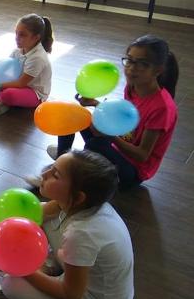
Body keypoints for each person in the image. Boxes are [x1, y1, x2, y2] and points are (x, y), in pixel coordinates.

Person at [0, 150, 134, 299]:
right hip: (91, 281)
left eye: (55, 175)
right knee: (42, 217)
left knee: (10, 285)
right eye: (51, 166)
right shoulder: (89, 204)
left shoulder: (82, 234)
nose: (44, 174)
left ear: (79, 197)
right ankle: (49, 267)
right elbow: (36, 214)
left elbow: (71, 296)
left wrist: (20, 267)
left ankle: (45, 271)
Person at [46, 35, 179, 189]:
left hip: (132, 171)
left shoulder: (162, 107)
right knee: (73, 113)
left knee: (95, 145)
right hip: (117, 147)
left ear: (158, 70)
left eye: (142, 64)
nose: (131, 68)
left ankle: (72, 169)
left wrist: (109, 136)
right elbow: (122, 118)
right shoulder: (132, 87)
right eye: (129, 60)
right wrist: (95, 104)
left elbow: (142, 156)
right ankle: (61, 162)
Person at [0, 13, 53, 116]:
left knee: (8, 94)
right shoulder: (18, 50)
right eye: (16, 33)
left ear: (35, 38)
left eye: (22, 35)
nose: (17, 38)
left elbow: (22, 83)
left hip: (33, 92)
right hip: (16, 80)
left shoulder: (38, 58)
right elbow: (3, 69)